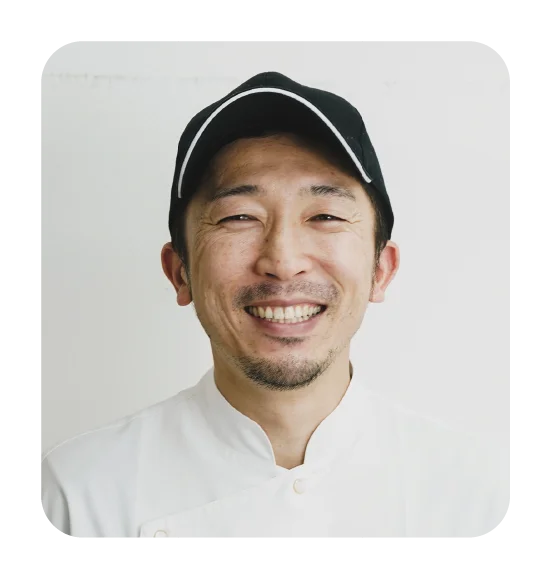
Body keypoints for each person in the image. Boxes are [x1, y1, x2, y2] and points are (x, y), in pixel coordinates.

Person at [41, 71, 510, 543]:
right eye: (239, 217)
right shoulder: (78, 493)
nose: (283, 262)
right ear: (180, 272)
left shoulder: (485, 497)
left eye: (325, 216)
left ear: (380, 270)